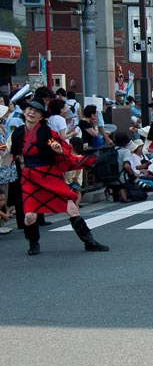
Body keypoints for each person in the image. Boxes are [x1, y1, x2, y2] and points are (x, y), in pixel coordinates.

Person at [9, 100, 109, 255]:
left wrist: (59, 149)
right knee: (29, 216)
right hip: (29, 177)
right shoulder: (18, 133)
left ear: (41, 116)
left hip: (49, 174)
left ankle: (89, 242)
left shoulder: (47, 132)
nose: (31, 113)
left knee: (71, 208)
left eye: (36, 111)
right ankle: (33, 244)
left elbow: (58, 146)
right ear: (24, 111)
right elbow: (13, 154)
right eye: (29, 109)